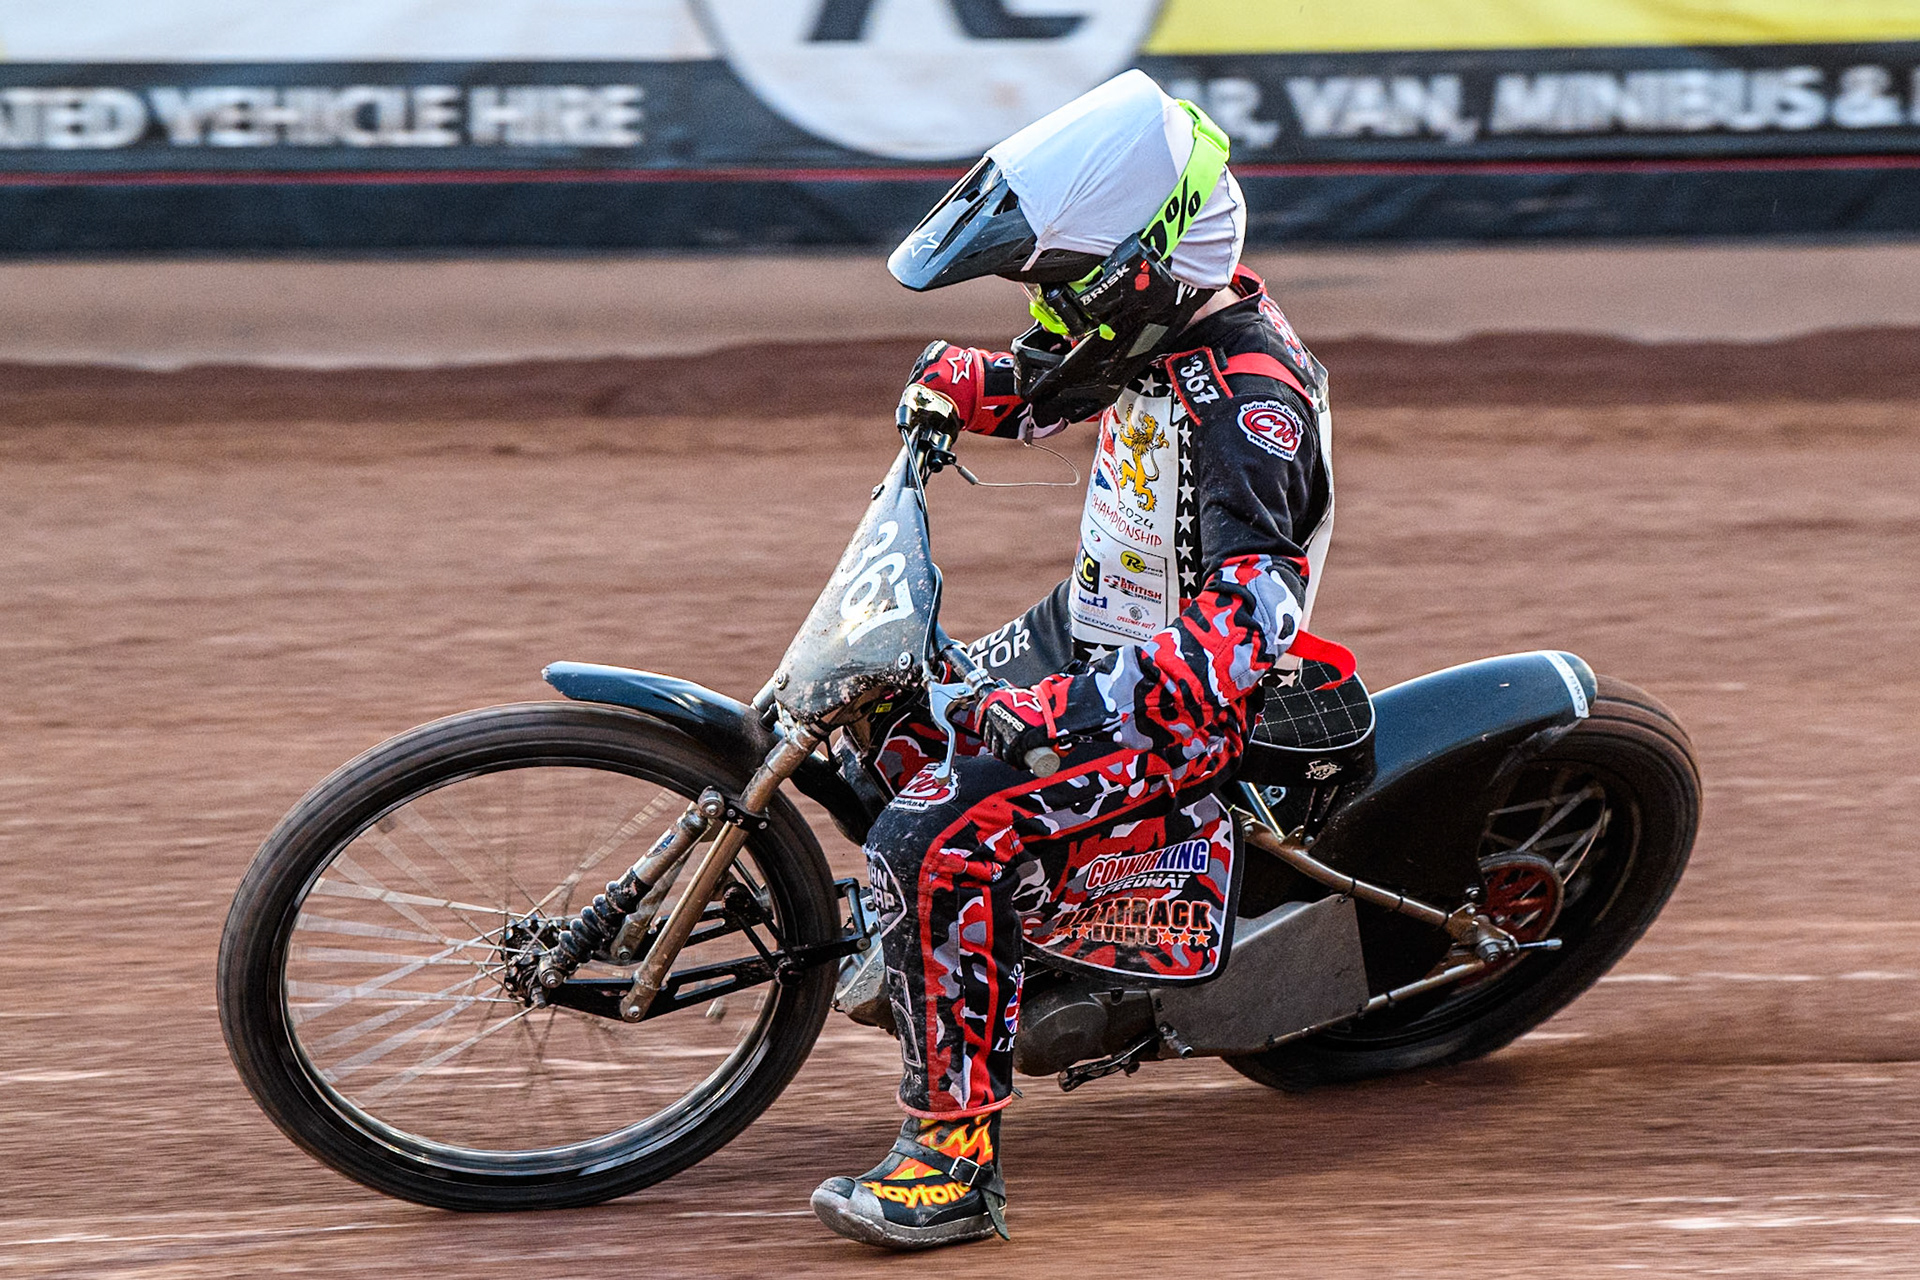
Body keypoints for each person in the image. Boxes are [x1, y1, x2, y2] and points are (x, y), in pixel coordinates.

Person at [810, 70, 1349, 1251]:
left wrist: (1069, 705)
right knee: (884, 700)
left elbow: (1244, 627)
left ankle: (952, 1157)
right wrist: (970, 381)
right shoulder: (1165, 325)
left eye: (1059, 285)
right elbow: (1056, 379)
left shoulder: (1249, 408)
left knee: (931, 832)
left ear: (1142, 266)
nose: (1046, 308)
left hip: (1171, 700)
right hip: (1087, 624)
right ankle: (1012, 933)